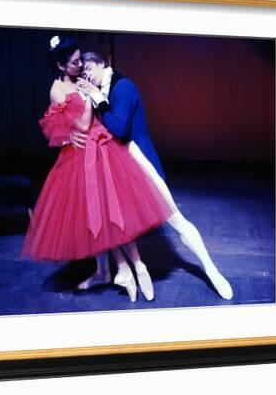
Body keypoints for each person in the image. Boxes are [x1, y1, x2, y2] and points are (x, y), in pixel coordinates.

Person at [21, 36, 175, 302]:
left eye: (81, 59)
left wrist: (91, 94)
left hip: (102, 147)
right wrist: (88, 97)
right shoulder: (58, 89)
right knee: (98, 215)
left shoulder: (80, 79)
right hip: (80, 156)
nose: (80, 64)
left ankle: (135, 267)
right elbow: (76, 125)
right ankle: (121, 269)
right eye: (74, 62)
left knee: (115, 211)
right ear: (60, 65)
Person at [75, 51, 234, 300]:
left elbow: (119, 128)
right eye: (83, 73)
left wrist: (97, 98)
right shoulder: (97, 91)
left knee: (175, 219)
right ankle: (115, 271)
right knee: (108, 217)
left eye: (89, 70)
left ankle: (211, 270)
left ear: (103, 63)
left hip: (142, 162)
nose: (87, 76)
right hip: (120, 165)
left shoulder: (123, 86)